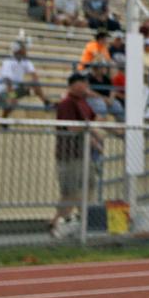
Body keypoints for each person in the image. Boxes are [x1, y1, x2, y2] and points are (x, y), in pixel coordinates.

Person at [50, 72, 102, 236]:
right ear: (73, 85)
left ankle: (84, 221)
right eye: (83, 83)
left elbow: (92, 122)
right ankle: (57, 224)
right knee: (70, 192)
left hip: (83, 154)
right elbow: (73, 129)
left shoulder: (84, 103)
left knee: (89, 186)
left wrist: (95, 140)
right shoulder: (66, 104)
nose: (86, 86)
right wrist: (91, 131)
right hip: (70, 155)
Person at [0, 41, 51, 120]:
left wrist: (34, 86)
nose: (26, 50)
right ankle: (3, 119)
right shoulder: (8, 62)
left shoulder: (25, 60)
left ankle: (46, 102)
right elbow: (8, 82)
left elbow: (34, 75)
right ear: (18, 50)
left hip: (14, 89)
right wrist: (13, 97)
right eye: (23, 48)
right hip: (0, 92)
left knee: (34, 83)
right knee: (12, 102)